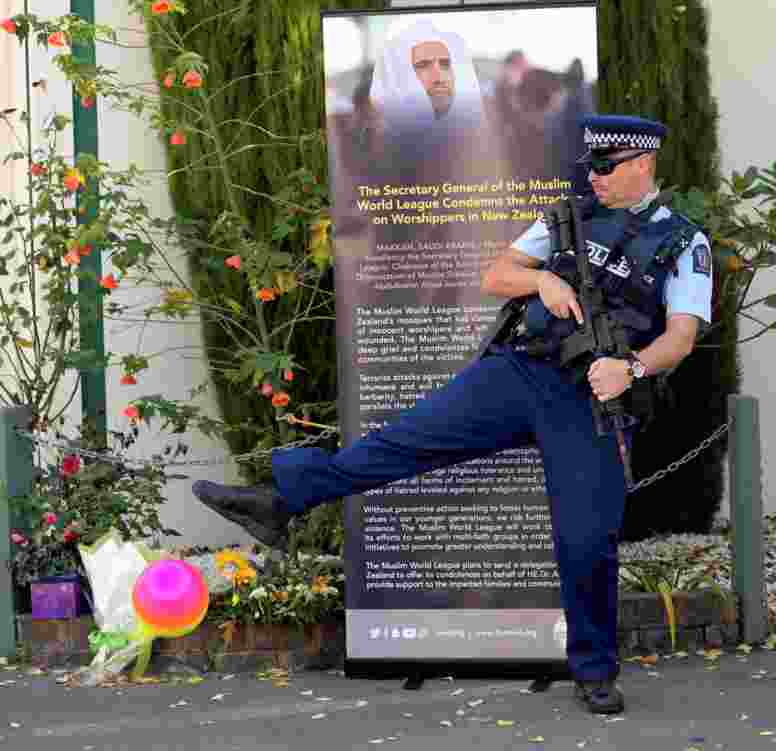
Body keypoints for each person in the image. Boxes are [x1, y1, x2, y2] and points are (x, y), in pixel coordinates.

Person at [193, 115, 713, 715]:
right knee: (400, 443)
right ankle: (281, 500)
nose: (593, 177)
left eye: (605, 167)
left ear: (642, 164)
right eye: (590, 166)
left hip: (590, 401)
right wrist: (541, 280)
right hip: (519, 372)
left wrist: (634, 370)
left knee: (587, 540)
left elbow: (681, 336)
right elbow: (496, 274)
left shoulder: (682, 241)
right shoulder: (569, 217)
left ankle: (593, 671)